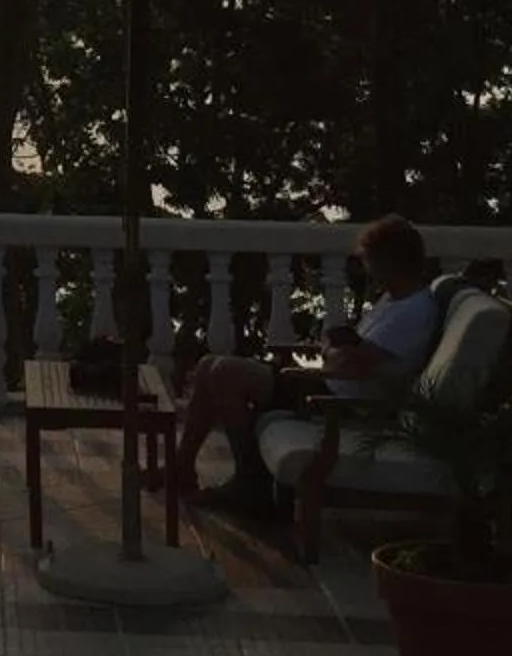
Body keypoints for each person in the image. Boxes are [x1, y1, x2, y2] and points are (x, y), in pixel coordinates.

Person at [165, 214, 442, 511]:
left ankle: (249, 482)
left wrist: (333, 351)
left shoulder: (413, 312)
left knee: (224, 373)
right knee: (209, 363)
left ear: (390, 261)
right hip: (328, 384)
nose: (367, 269)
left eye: (370, 261)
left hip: (338, 400)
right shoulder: (395, 299)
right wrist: (336, 350)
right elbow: (348, 352)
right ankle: (181, 469)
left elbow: (353, 364)